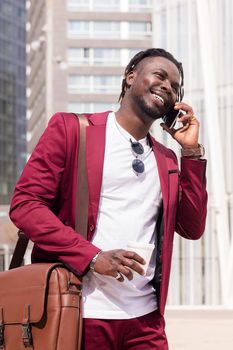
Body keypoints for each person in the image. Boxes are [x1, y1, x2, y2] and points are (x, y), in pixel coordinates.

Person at [10, 48, 207, 349]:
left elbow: (192, 228)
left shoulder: (167, 159)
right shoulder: (72, 129)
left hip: (146, 321)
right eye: (160, 75)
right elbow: (26, 205)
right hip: (79, 313)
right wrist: (92, 257)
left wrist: (191, 153)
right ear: (130, 78)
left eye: (176, 85)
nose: (169, 86)